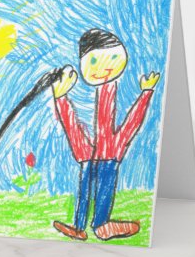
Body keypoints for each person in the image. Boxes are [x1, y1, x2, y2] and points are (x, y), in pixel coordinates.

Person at [51, 28, 160, 241]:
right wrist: (60, 98)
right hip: (88, 154)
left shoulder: (110, 94)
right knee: (85, 189)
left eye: (112, 58)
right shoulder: (93, 95)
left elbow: (131, 124)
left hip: (109, 154)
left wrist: (146, 94)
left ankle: (101, 224)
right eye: (93, 61)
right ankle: (79, 226)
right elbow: (73, 127)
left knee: (103, 188)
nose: (104, 67)